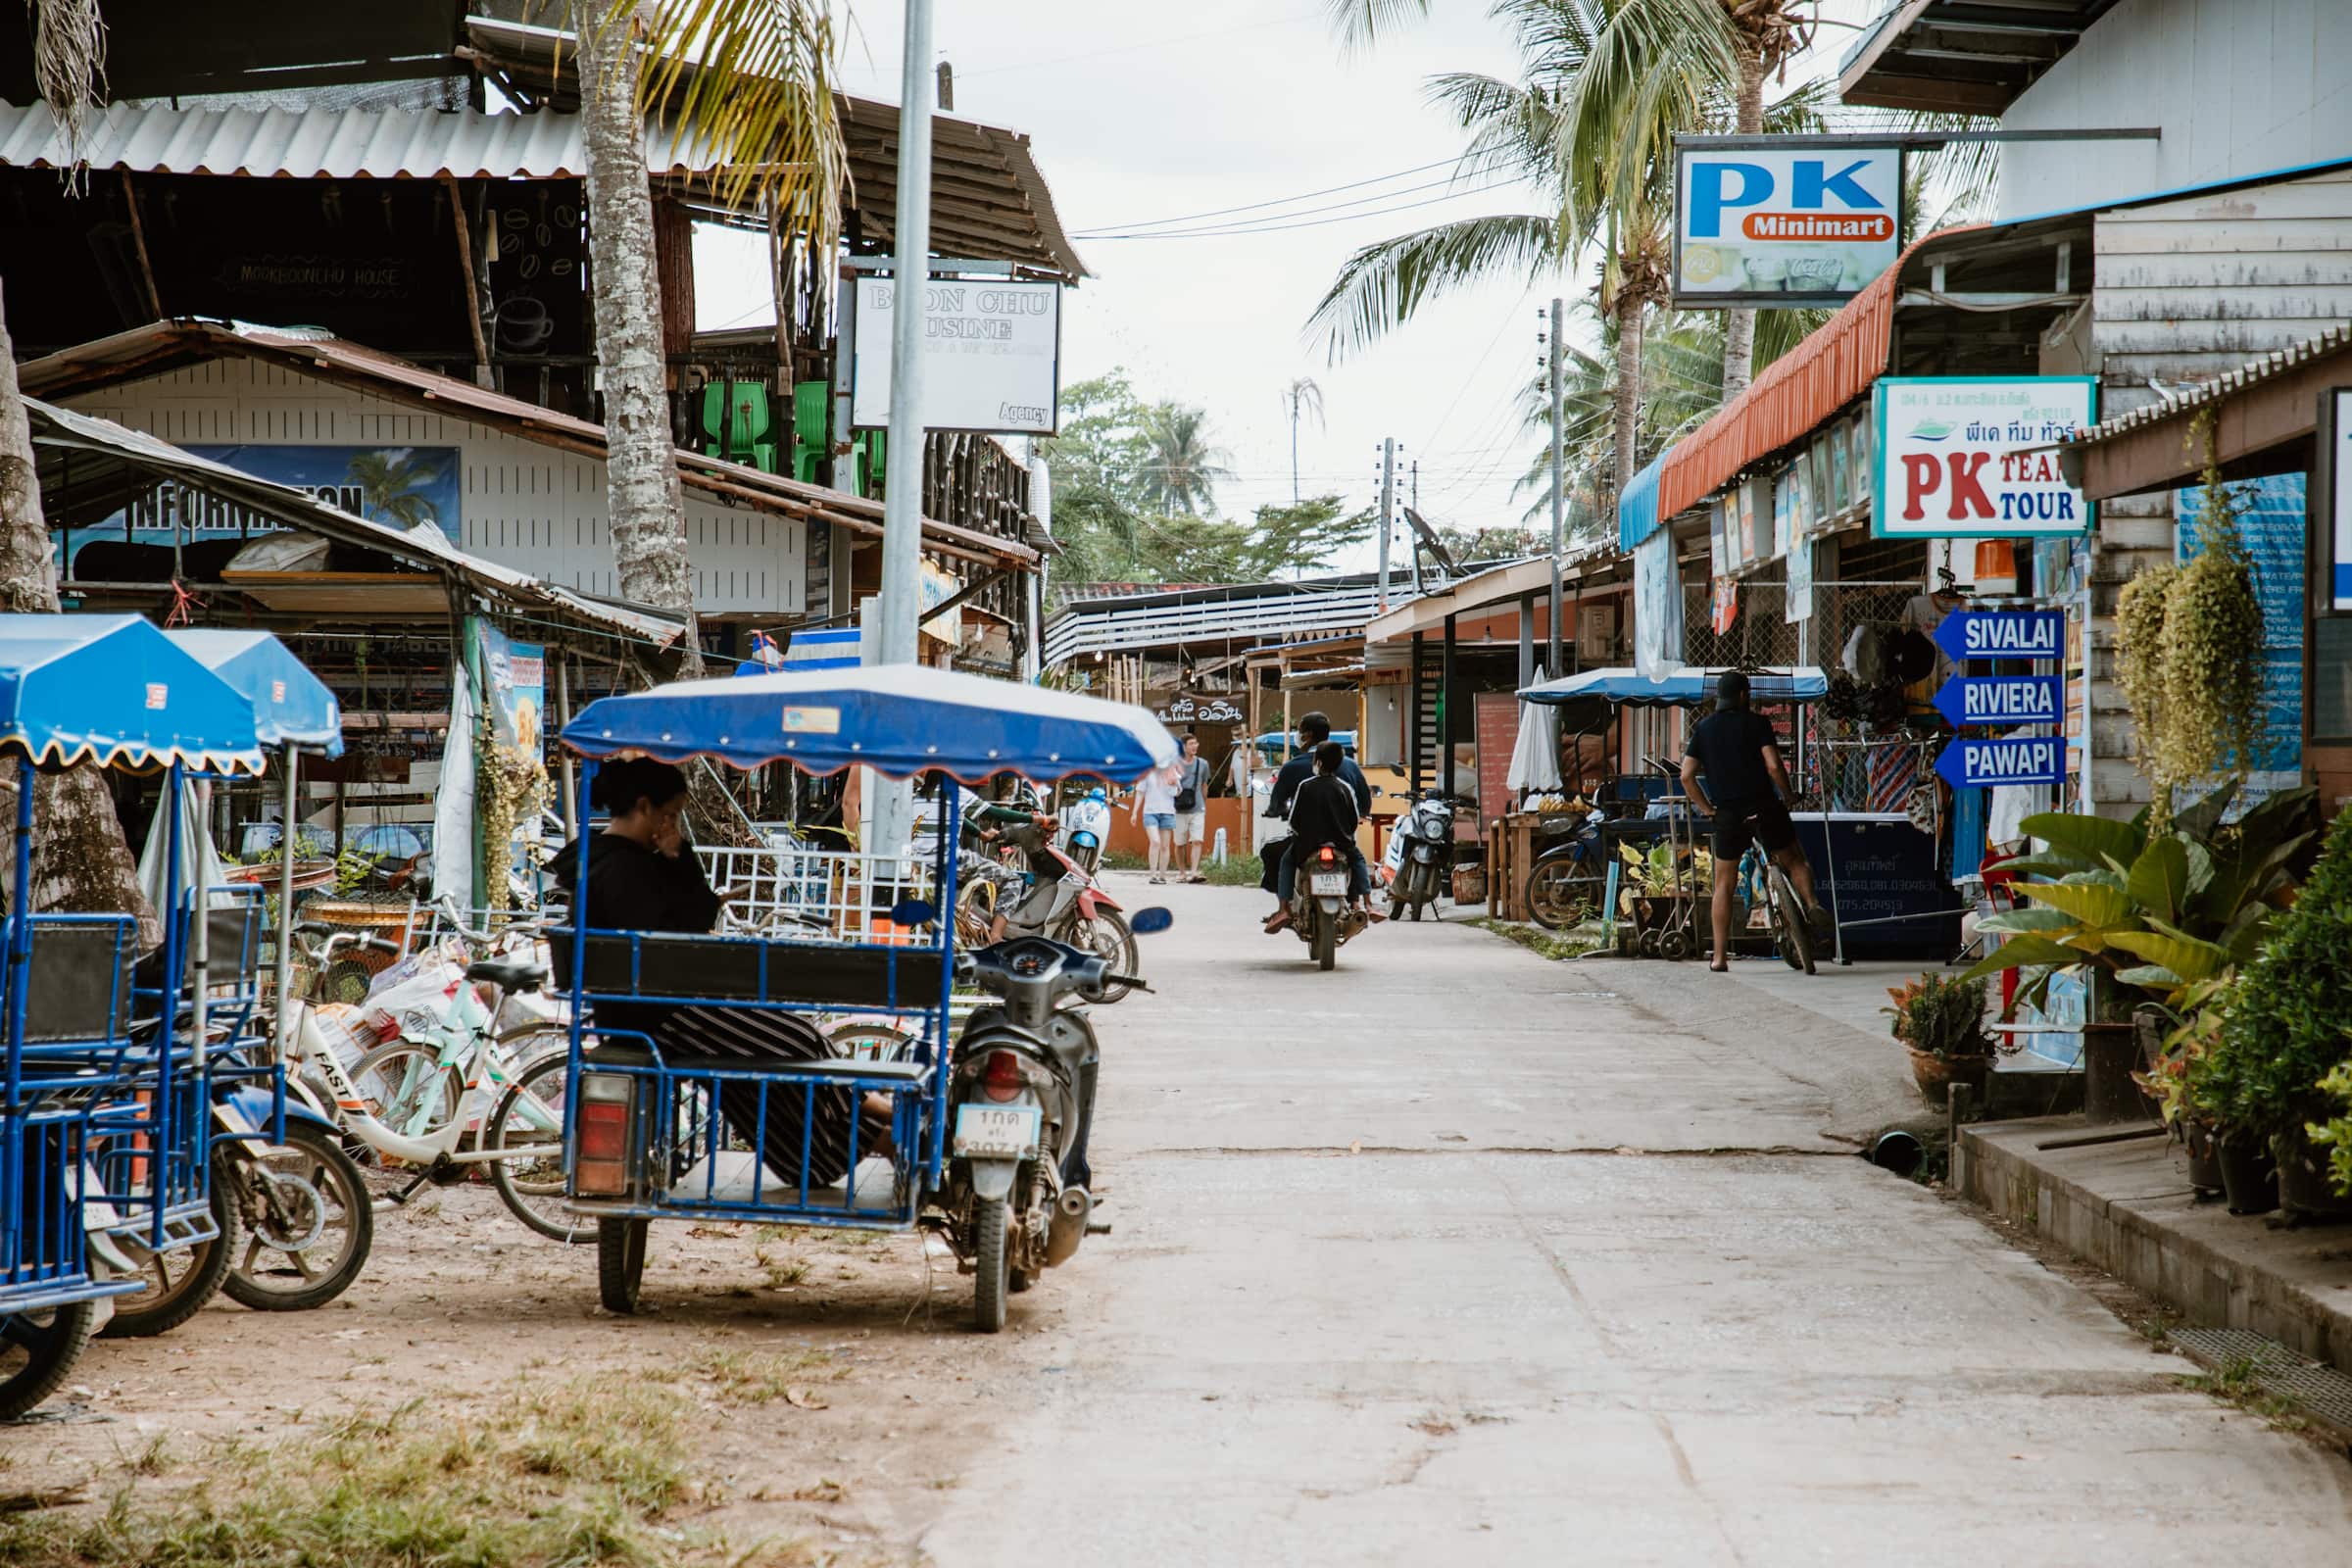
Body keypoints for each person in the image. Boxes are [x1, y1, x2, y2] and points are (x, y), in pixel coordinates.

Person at [552, 758, 888, 1185]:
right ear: (643, 807)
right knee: (798, 1040)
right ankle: (876, 1121)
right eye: (670, 815)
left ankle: (858, 1127)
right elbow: (688, 924)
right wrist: (677, 857)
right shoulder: (626, 867)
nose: (673, 826)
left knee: (786, 1051)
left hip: (646, 1007)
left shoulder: (598, 856)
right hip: (661, 1013)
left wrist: (676, 858)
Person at [1679, 670, 1833, 973]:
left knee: (1724, 882)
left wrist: (1707, 808)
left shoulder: (1704, 729)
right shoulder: (1757, 723)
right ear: (1744, 695)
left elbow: (1686, 775)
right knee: (1794, 859)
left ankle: (1719, 957)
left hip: (1727, 814)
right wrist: (1787, 795)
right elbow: (1774, 765)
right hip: (1764, 807)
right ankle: (1812, 903)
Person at [1259, 710, 1372, 926]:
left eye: (1300, 731)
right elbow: (1360, 808)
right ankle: (1361, 903)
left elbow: (1286, 811)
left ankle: (1284, 908)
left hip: (1307, 840)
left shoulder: (1295, 771)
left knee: (1282, 857)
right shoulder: (1349, 770)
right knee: (1357, 858)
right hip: (1342, 839)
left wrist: (1277, 812)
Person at [1132, 757, 1180, 885]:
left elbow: (1178, 792)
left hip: (1168, 812)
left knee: (1165, 846)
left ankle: (1162, 876)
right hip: (1150, 812)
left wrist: (1174, 784)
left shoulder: (1172, 771)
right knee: (1155, 841)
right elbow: (1140, 792)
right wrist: (1134, 812)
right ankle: (1153, 875)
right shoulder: (1147, 772)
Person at [1171, 733, 1211, 883]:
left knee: (1197, 840)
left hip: (1197, 808)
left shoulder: (1203, 764)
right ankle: (1182, 872)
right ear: (1183, 747)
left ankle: (1194, 872)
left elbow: (1204, 784)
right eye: (1191, 744)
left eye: (1196, 743)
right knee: (1179, 843)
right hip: (1178, 808)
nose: (1195, 746)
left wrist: (1203, 804)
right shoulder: (1174, 764)